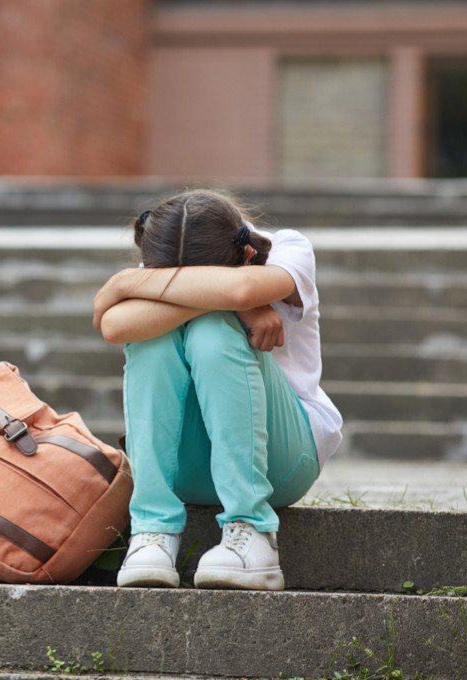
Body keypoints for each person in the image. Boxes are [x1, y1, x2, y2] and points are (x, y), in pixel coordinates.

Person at [92, 189, 343, 591]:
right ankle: (152, 531)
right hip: (191, 468)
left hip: (283, 460)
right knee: (150, 339)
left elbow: (241, 292)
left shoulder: (288, 249)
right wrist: (228, 299)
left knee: (212, 329)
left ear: (245, 258)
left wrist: (128, 283)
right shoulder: (167, 255)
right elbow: (115, 327)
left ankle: (253, 531)